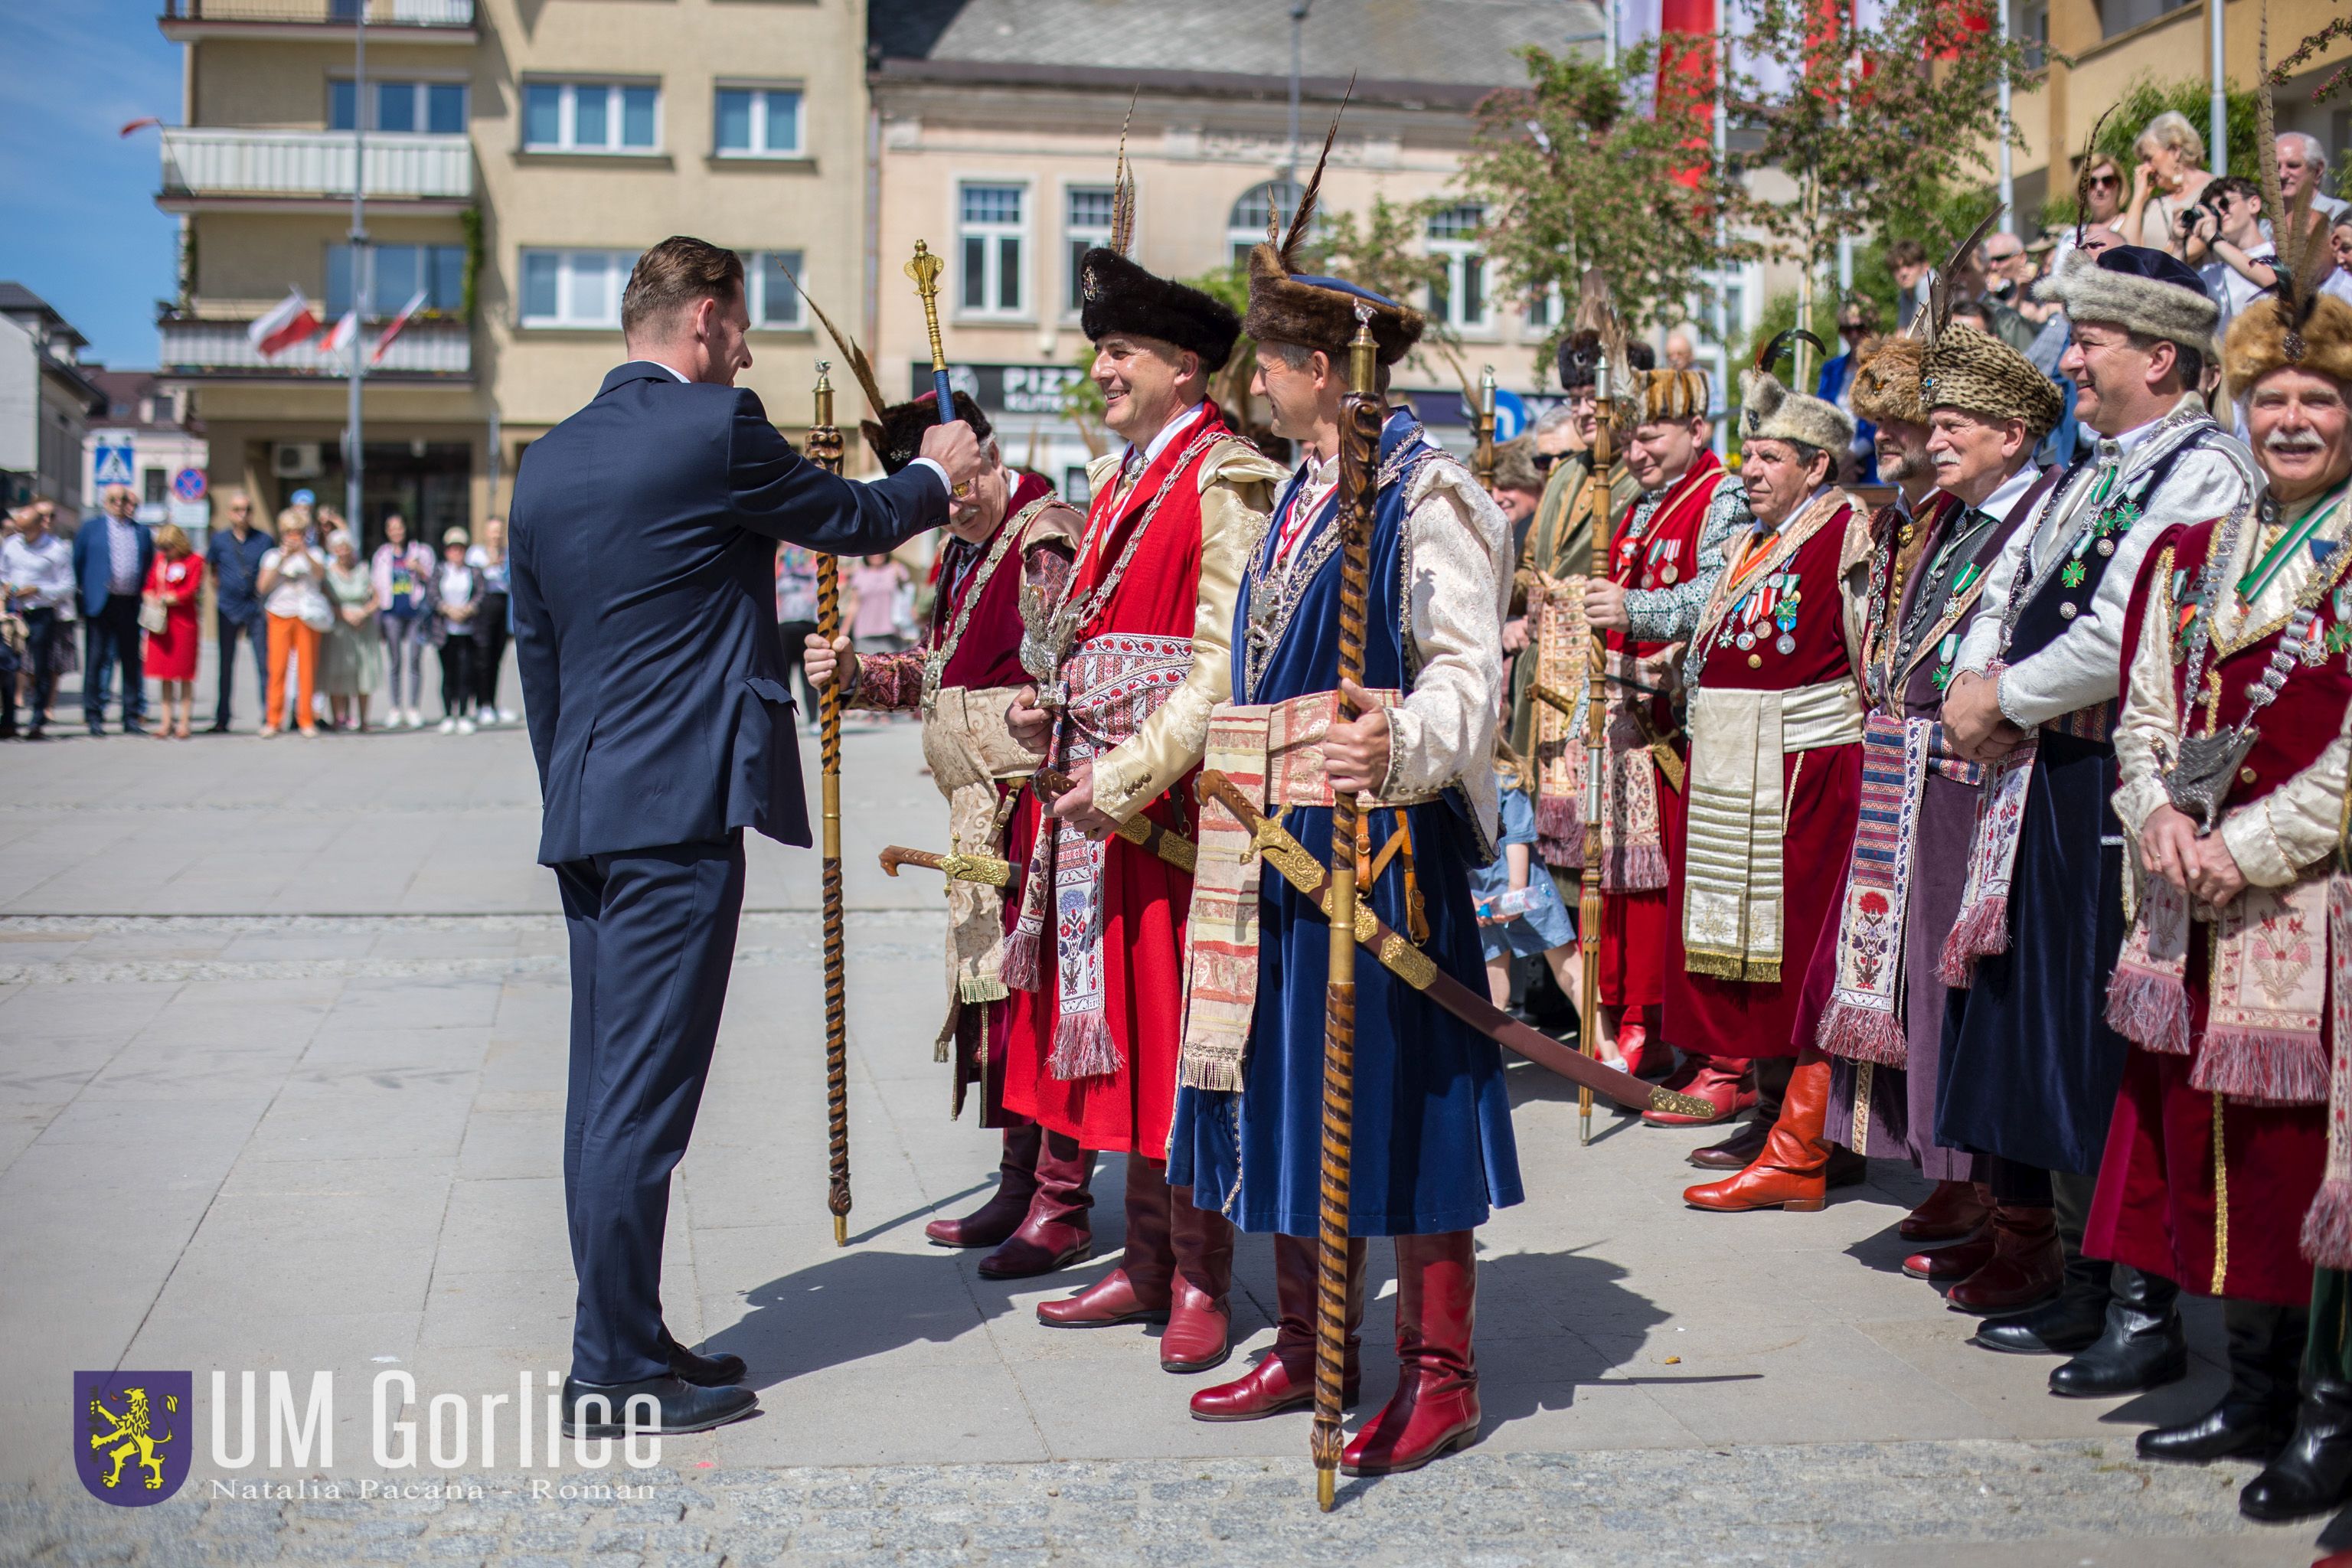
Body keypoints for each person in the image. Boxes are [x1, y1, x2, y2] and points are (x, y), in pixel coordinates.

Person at [506, 234, 977, 1437]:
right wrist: (937, 470)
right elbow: (854, 521)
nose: (748, 354)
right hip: (675, 815)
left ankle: (627, 1330)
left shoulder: (548, 462)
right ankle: (607, 1370)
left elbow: (544, 659)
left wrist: (578, 785)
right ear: (707, 321)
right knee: (642, 1103)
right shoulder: (714, 427)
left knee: (601, 1093)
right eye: (743, 332)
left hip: (594, 808)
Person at [1166, 211, 1520, 1478]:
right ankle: (1314, 1340)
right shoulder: (1304, 491)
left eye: (1269, 363)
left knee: (1404, 1104)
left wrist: (1402, 742)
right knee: (1287, 1090)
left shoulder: (1429, 493)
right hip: (1279, 841)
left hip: (1382, 853)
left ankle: (1444, 1373)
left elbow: (1469, 681)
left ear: (1326, 371)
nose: (1253, 382)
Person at [1939, 243, 2257, 1379]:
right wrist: (1975, 683)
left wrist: (2004, 697)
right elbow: (2010, 586)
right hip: (2049, 777)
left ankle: (2143, 1298)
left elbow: (2124, 630)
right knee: (2056, 1038)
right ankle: (2081, 1271)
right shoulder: (2095, 468)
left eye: (2089, 342)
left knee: (2114, 1041)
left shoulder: (2204, 470)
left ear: (2160, 356)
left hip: (2126, 788)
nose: (2067, 361)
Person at [998, 191, 1282, 1380]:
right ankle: (1149, 1255)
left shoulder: (1223, 475)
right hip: (1105, 811)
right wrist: (1045, 703)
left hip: (1176, 815)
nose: (1102, 370)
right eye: (1102, 351)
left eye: (1120, 352)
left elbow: (1223, 662)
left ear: (1184, 365)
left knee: (1187, 1053)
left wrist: (1116, 772)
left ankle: (1206, 1280)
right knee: (1123, 1049)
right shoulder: (1121, 477)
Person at [2089, 283, 2352, 1506]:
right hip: (2187, 899)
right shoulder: (2192, 557)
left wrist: (2244, 845)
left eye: (2320, 400)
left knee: (2304, 1169)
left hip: (2309, 903)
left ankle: (2327, 1413)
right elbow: (2145, 713)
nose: (2292, 421)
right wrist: (2152, 811)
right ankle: (2247, 1392)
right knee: (2213, 1152)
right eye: (2273, 400)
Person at [804, 387, 1089, 1278]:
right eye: (939, 489)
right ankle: (1016, 1175)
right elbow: (943, 672)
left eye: (964, 480)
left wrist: (1044, 711)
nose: (955, 501)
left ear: (989, 451)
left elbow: (1067, 671)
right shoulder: (961, 554)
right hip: (981, 811)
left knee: (1046, 1001)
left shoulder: (1045, 533)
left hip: (1044, 811)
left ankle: (1063, 1197)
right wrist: (857, 672)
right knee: (993, 1004)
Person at [1821, 324, 2066, 1290]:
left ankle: (2025, 1230)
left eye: (1954, 423)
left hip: (1987, 789)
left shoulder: (2041, 513)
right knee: (1935, 1002)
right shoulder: (1957, 520)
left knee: (1982, 1004)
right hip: (1921, 787)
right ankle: (1983, 1201)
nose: (1937, 437)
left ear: (2014, 434)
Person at [1615, 354, 1872, 1217]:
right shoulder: (1750, 543)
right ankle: (1773, 1116)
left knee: (1797, 956)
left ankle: (1806, 1144)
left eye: (1769, 458)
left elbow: (1864, 651)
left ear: (1816, 466)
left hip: (1804, 770)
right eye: (1749, 454)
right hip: (1736, 764)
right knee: (1747, 960)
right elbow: (1715, 641)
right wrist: (1663, 680)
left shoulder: (1847, 531)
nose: (1751, 471)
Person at [1579, 367, 1754, 1134]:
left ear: (1696, 433)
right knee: (1636, 888)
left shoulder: (1720, 496)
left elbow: (1719, 589)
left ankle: (1721, 1055)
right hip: (1633, 725)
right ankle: (1653, 1027)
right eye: (1631, 438)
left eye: (1650, 436)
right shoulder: (1637, 503)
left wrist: (1636, 609)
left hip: (1686, 730)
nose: (1636, 452)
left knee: (1690, 887)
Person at [1510, 332, 1647, 763]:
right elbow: (1531, 566)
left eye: (1594, 396)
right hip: (1539, 674)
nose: (1584, 410)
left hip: (1595, 668)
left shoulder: (1641, 476)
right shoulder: (1564, 474)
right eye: (1574, 399)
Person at [1474, 740, 1580, 1013]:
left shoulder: (1504, 778)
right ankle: (1610, 1052)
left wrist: (1513, 892)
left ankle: (1609, 1052)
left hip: (1518, 886)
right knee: (1493, 994)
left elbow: (1517, 838)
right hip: (1487, 892)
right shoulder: (1454, 783)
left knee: (1571, 971)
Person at [71, 484, 154, 736]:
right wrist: (85, 596)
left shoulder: (140, 532)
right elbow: (78, 563)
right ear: (105, 502)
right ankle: (94, 715)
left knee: (130, 661)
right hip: (101, 603)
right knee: (96, 660)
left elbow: (148, 564)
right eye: (113, 499)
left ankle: (131, 716)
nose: (119, 503)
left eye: (123, 499)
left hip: (129, 603)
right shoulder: (91, 529)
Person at [2, 501, 74, 739]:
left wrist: (38, 590)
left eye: (26, 529)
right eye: (19, 529)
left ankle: (37, 720)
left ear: (39, 526)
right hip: (14, 613)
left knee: (40, 667)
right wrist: (7, 587)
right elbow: (3, 573)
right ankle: (9, 719)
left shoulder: (56, 549)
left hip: (41, 612)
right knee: (8, 666)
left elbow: (67, 586)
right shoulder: (12, 545)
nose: (22, 534)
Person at [256, 509, 327, 739]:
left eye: (299, 532)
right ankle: (273, 719)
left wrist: (304, 553)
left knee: (307, 669)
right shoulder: (272, 555)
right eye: (289, 532)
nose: (294, 536)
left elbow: (320, 575)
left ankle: (306, 719)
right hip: (279, 613)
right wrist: (283, 558)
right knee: (277, 669)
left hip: (306, 615)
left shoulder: (314, 552)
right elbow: (262, 586)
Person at [204, 490, 270, 733]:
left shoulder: (264, 540)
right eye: (237, 509)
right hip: (228, 608)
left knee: (264, 664)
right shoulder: (220, 540)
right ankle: (222, 718)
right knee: (226, 664)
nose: (242, 514)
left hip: (255, 609)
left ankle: (269, 716)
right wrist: (223, 589)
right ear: (230, 513)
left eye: (247, 509)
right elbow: (212, 570)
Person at [2180, 177, 2278, 339]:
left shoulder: (2278, 251)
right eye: (2213, 210)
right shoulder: (2212, 274)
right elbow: (2171, 297)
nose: (2219, 213)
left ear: (2254, 204)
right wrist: (2178, 243)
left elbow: (2270, 280)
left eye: (2225, 204)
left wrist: (2213, 239)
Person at [141, 524, 204, 740]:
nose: (165, 552)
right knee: (164, 675)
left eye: (168, 547)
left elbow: (191, 589)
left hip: (183, 624)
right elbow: (149, 584)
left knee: (185, 675)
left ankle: (184, 722)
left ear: (178, 544)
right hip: (161, 625)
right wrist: (149, 596)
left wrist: (171, 597)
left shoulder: (195, 560)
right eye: (162, 547)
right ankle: (166, 721)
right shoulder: (160, 561)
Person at [2124, 111, 2216, 256]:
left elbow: (2193, 247)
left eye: (2149, 158)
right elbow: (2125, 251)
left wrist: (2147, 266)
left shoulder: (2213, 189)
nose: (2146, 168)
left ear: (2175, 150)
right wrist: (2138, 199)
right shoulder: (2151, 205)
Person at [372, 514, 434, 729]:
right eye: (392, 528)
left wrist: (418, 569)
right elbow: (376, 584)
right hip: (392, 612)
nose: (397, 532)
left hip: (415, 612)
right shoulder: (382, 555)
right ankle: (396, 708)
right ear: (387, 531)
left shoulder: (421, 551)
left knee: (415, 659)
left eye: (399, 527)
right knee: (395, 661)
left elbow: (432, 578)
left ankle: (414, 708)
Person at [1815, 296, 1882, 483]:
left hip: (1872, 463)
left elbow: (1881, 414)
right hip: (1836, 460)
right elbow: (1822, 413)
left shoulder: (1881, 367)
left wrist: (1854, 454)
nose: (1853, 335)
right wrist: (1838, 456)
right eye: (1846, 329)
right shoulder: (1831, 369)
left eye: (1860, 328)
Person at [321, 530, 381, 732]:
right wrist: (343, 614)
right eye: (339, 548)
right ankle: (338, 719)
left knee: (364, 671)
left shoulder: (363, 570)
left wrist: (364, 612)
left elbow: (377, 597)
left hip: (364, 626)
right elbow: (325, 601)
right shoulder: (328, 573)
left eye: (346, 547)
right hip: (340, 626)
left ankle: (364, 720)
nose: (343, 551)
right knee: (338, 672)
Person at [469, 516, 515, 725]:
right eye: (493, 530)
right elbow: (472, 576)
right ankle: (481, 704)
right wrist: (490, 562)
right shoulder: (476, 553)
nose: (496, 535)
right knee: (483, 657)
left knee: (497, 657)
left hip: (503, 605)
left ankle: (493, 704)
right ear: (486, 532)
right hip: (484, 607)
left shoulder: (508, 553)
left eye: (499, 530)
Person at [433, 527, 479, 733]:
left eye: (460, 549)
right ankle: (448, 714)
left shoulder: (473, 572)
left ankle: (463, 713)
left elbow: (481, 594)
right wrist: (447, 609)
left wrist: (468, 609)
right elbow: (432, 594)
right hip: (446, 631)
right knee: (448, 673)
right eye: (453, 549)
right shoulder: (441, 571)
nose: (456, 553)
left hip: (467, 630)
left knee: (466, 673)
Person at [774, 543, 822, 719]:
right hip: (784, 625)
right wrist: (779, 556)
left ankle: (812, 719)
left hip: (808, 624)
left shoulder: (810, 567)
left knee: (808, 675)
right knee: (783, 677)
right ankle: (783, 718)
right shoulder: (780, 570)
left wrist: (809, 557)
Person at [846, 551, 910, 655]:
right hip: (865, 633)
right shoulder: (860, 573)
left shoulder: (895, 569)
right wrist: (845, 630)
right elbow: (854, 603)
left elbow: (906, 591)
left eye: (881, 552)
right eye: (873, 552)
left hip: (891, 634)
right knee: (865, 669)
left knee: (891, 670)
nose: (877, 555)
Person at [1890, 238, 1931, 332]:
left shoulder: (1928, 284)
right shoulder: (1906, 292)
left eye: (1909, 265)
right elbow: (1902, 333)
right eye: (1897, 268)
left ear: (1925, 266)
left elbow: (1920, 335)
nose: (1903, 273)